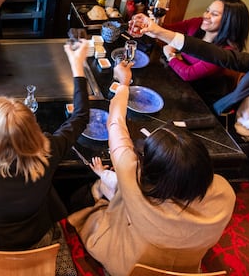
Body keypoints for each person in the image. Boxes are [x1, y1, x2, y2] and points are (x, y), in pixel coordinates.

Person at [68, 61, 236, 276]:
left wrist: (124, 82)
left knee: (87, 194)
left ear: (152, 169)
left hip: (131, 266)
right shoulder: (225, 192)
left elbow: (115, 123)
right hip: (187, 267)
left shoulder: (132, 178)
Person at [0, 39, 91, 273]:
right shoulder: (50, 148)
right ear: (33, 127)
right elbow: (80, 116)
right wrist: (77, 66)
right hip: (37, 235)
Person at [134, 13, 249, 187]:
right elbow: (222, 56)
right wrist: (160, 32)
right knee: (163, 136)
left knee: (180, 167)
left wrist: (224, 153)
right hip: (225, 123)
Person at [162, 0, 249, 106]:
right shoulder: (197, 23)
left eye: (214, 14)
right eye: (207, 11)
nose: (206, 16)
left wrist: (170, 55)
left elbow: (188, 74)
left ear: (229, 21)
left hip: (199, 98)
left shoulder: (225, 52)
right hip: (180, 83)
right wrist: (153, 21)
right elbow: (167, 30)